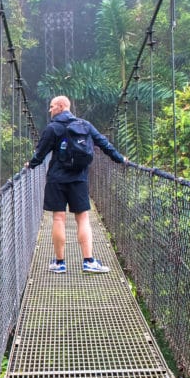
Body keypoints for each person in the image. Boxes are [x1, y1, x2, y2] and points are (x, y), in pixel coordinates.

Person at [26, 95, 125, 273]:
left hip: (57, 179)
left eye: (52, 106)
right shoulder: (85, 125)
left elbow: (40, 154)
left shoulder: (53, 128)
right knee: (83, 218)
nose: (50, 110)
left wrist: (30, 165)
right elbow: (103, 143)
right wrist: (120, 159)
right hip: (79, 178)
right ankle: (88, 261)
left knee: (58, 218)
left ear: (62, 106)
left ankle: (59, 263)